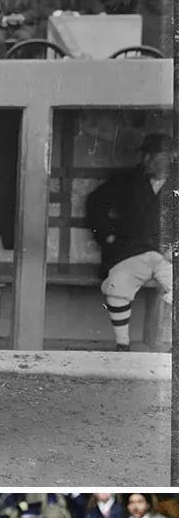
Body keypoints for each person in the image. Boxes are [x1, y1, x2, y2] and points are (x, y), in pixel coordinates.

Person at [86, 133, 172, 353]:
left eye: (163, 157)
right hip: (131, 253)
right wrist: (106, 235)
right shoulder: (127, 180)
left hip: (167, 255)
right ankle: (123, 345)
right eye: (151, 157)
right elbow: (95, 203)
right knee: (116, 286)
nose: (150, 162)